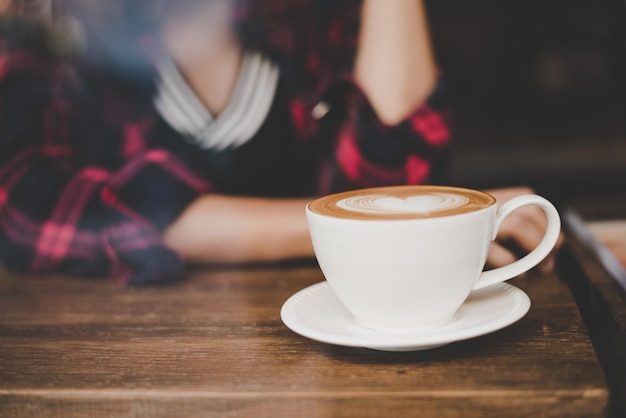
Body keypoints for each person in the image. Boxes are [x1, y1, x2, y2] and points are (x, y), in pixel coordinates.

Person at [0, 0, 558, 285]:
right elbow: (31, 205)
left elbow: (395, 173)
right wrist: (430, 220)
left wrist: (413, 215)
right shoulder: (60, 46)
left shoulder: (313, 28)